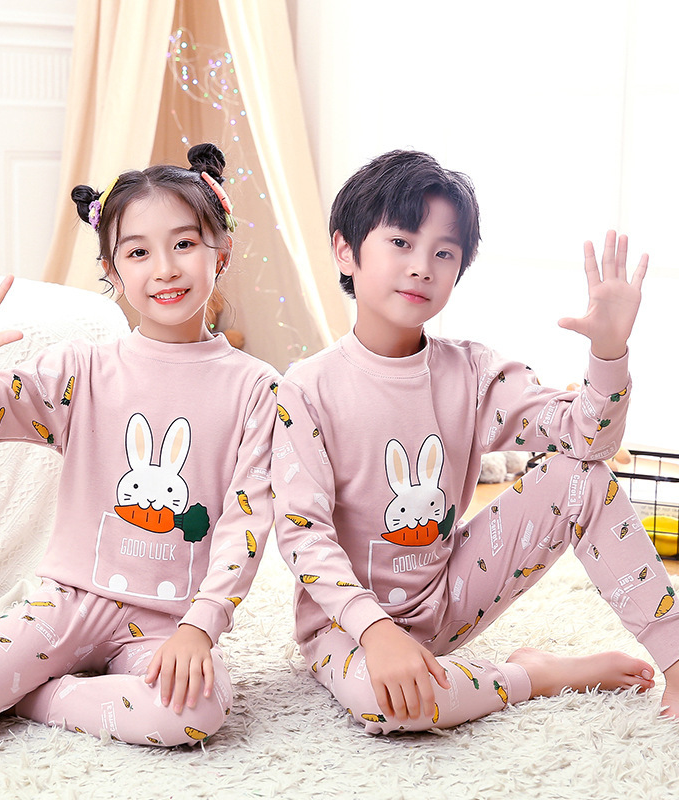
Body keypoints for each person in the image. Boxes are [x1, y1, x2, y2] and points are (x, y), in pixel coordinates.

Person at [0, 143, 278, 746]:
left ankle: (24, 694)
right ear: (113, 273)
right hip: (69, 602)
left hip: (168, 622)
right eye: (137, 252)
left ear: (220, 253)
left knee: (193, 712)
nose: (164, 268)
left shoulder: (257, 388)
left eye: (184, 244)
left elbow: (246, 523)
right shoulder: (81, 369)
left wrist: (201, 625)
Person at [271, 148, 679, 734]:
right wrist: (375, 630)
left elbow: (588, 441)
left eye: (444, 252)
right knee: (388, 706)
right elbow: (301, 533)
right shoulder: (306, 388)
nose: (422, 267)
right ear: (345, 249)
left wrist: (608, 351)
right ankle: (534, 675)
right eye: (401, 242)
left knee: (578, 477)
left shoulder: (473, 371)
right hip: (343, 628)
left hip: (446, 599)